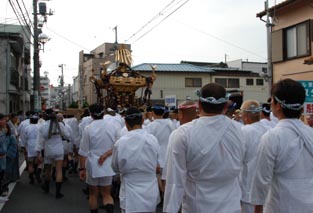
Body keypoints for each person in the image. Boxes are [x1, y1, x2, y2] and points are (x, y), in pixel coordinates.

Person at [163, 83, 245, 213]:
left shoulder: (183, 133)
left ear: (199, 105)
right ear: (225, 106)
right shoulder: (241, 131)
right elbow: (243, 173)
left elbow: (175, 182)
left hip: (197, 206)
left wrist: (170, 210)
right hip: (231, 205)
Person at [250, 78, 313, 213]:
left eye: (272, 100)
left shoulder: (272, 137)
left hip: (282, 204)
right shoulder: (310, 133)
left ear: (278, 105)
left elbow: (262, 179)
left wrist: (257, 208)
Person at [112, 107, 160, 213]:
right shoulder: (153, 140)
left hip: (130, 190)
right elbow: (157, 161)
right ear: (142, 120)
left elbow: (115, 167)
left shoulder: (120, 143)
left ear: (125, 122)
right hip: (150, 188)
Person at [79, 103, 120, 213]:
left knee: (93, 194)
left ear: (91, 115)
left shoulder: (88, 129)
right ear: (104, 113)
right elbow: (118, 145)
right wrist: (106, 154)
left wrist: (82, 169)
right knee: (107, 194)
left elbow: (83, 152)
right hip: (108, 164)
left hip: (93, 164)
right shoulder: (113, 127)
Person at [239, 100, 270, 213]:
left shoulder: (243, 131)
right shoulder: (270, 130)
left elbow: (238, 160)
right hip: (268, 189)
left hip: (249, 190)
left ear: (246, 116)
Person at [36, 108, 71, 199]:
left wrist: (38, 151)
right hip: (59, 149)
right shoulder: (60, 125)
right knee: (59, 170)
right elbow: (67, 135)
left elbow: (40, 140)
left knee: (48, 169)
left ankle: (47, 187)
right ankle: (58, 193)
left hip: (48, 150)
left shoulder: (43, 126)